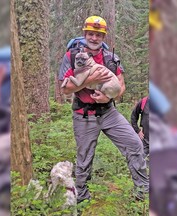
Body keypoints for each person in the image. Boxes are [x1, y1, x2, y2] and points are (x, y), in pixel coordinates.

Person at [58, 15, 149, 203]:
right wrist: (89, 80)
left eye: (98, 35)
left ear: (103, 37)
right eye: (90, 34)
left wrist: (108, 96)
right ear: (85, 34)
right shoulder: (73, 56)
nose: (94, 38)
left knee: (135, 145)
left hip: (109, 112)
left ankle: (143, 193)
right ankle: (82, 198)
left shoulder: (111, 58)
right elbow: (64, 88)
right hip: (84, 114)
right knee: (84, 158)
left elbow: (121, 86)